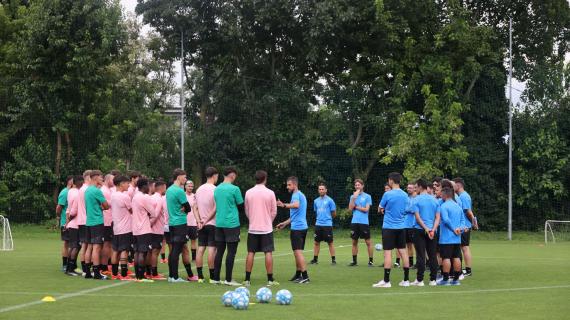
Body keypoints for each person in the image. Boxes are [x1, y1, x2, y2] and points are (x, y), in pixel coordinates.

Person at [373, 172, 410, 288]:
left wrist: (383, 210)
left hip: (389, 227)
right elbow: (408, 209)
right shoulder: (405, 195)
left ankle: (386, 281)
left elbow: (380, 209)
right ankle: (406, 280)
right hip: (401, 227)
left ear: (391, 181)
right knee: (403, 252)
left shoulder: (387, 194)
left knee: (387, 253)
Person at [243, 170, 278, 287]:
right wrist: (268, 221)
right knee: (268, 252)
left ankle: (247, 280)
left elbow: (247, 210)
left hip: (253, 228)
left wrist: (252, 220)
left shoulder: (248, 192)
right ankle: (270, 280)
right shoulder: (270, 193)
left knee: (251, 252)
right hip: (266, 228)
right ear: (265, 179)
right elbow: (274, 211)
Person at [212, 167, 243, 286]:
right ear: (232, 175)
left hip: (219, 223)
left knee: (219, 251)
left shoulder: (217, 189)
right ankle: (228, 280)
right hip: (232, 224)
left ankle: (216, 278)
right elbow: (241, 206)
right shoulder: (235, 189)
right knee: (231, 252)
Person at [277, 176, 310, 284]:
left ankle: (305, 276)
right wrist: (284, 224)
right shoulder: (301, 195)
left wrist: (284, 205)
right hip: (301, 227)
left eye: (289, 185)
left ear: (295, 185)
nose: (287, 187)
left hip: (298, 229)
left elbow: (296, 205)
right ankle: (298, 274)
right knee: (297, 253)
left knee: (298, 253)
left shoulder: (296, 195)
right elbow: (295, 215)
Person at [411, 178, 440, 286]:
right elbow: (438, 218)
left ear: (419, 186)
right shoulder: (435, 200)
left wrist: (426, 229)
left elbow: (418, 218)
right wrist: (432, 229)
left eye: (415, 187)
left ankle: (420, 280)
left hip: (419, 230)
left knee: (420, 255)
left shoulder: (416, 200)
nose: (415, 189)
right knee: (432, 255)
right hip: (432, 230)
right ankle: (433, 280)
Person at [166, 169, 193, 283]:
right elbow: (188, 207)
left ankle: (172, 276)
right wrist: (184, 208)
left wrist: (184, 208)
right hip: (180, 223)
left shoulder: (169, 190)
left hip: (172, 223)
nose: (185, 179)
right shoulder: (179, 191)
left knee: (173, 250)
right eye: (184, 177)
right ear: (178, 177)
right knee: (177, 250)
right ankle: (175, 277)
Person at [84, 170, 110, 280]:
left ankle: (87, 272)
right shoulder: (96, 191)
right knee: (97, 247)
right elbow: (107, 206)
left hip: (89, 221)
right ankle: (96, 273)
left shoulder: (87, 190)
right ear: (95, 178)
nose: (102, 179)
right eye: (101, 177)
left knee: (90, 246)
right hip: (97, 222)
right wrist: (102, 207)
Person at [131, 178, 158, 282]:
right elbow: (154, 213)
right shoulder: (144, 198)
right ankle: (142, 276)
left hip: (135, 228)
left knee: (137, 252)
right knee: (143, 253)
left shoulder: (135, 197)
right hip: (144, 228)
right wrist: (147, 213)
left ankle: (138, 276)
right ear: (144, 186)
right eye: (148, 185)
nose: (149, 188)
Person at [194, 166, 218, 283]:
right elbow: (215, 208)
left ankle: (200, 277)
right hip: (211, 223)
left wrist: (199, 221)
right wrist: (206, 220)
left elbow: (195, 207)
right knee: (212, 250)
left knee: (200, 249)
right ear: (214, 176)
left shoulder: (199, 189)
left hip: (201, 225)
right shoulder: (215, 189)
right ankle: (212, 277)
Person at [437, 187, 463, 286]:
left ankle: (445, 279)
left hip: (446, 238)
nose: (441, 196)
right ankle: (456, 279)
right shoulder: (458, 206)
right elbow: (462, 221)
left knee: (446, 258)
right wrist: (459, 229)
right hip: (457, 238)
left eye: (442, 194)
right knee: (456, 257)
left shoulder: (444, 206)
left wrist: (453, 229)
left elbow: (446, 220)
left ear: (446, 195)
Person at [453, 177, 478, 277]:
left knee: (464, 247)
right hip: (464, 225)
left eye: (454, 185)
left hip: (465, 226)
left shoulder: (463, 196)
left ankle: (468, 270)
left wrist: (474, 222)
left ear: (458, 185)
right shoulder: (462, 195)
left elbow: (468, 211)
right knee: (462, 247)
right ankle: (463, 269)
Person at [110, 175, 133, 280]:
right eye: (127, 183)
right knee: (124, 250)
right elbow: (131, 210)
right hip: (125, 227)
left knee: (115, 250)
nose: (129, 185)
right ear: (121, 184)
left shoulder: (113, 195)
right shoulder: (125, 196)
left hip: (116, 227)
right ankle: (124, 274)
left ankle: (114, 274)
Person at [348, 179, 373, 267]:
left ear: (362, 186)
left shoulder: (367, 196)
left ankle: (370, 261)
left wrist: (357, 207)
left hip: (364, 222)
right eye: (356, 185)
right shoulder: (352, 196)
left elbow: (366, 210)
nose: (357, 186)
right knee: (354, 242)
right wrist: (354, 198)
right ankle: (354, 261)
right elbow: (350, 208)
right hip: (354, 222)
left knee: (368, 242)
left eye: (359, 185)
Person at [310, 183, 337, 265]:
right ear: (318, 190)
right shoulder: (316, 201)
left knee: (330, 242)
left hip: (327, 225)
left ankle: (333, 260)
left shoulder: (330, 200)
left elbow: (334, 213)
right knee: (316, 242)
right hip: (318, 224)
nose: (321, 190)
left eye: (322, 189)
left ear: (326, 190)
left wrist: (328, 219)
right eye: (320, 189)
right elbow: (316, 212)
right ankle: (315, 259)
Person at [182, 180, 201, 281]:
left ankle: (193, 258)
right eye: (189, 186)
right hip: (184, 223)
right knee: (184, 243)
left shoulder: (195, 196)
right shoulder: (182, 195)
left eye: (192, 186)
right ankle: (186, 258)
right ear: (185, 187)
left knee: (194, 240)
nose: (190, 187)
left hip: (193, 222)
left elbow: (196, 208)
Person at [64, 175, 83, 276]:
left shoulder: (71, 191)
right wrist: (69, 220)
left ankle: (71, 267)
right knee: (75, 246)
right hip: (75, 224)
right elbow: (74, 211)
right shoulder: (77, 194)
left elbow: (69, 208)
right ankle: (69, 269)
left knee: (74, 246)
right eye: (82, 182)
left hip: (73, 223)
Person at [149, 180, 167, 279]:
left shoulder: (151, 197)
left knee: (150, 251)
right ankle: (154, 273)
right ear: (162, 187)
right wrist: (150, 224)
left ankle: (149, 272)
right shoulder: (159, 199)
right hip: (156, 230)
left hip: (151, 229)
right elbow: (155, 215)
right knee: (155, 252)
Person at [56, 176, 73, 272]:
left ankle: (71, 264)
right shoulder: (64, 192)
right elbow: (58, 207)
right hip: (65, 223)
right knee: (67, 243)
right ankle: (65, 265)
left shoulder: (74, 192)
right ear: (70, 182)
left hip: (74, 223)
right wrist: (59, 217)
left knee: (74, 245)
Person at [100, 173, 115, 275]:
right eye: (113, 179)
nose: (114, 182)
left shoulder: (108, 190)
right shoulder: (104, 191)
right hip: (106, 221)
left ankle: (105, 265)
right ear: (108, 179)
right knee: (106, 244)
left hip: (108, 220)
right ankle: (103, 266)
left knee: (108, 244)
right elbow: (107, 204)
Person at [77, 170, 91, 277]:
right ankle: (86, 269)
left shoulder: (81, 189)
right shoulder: (87, 189)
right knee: (88, 245)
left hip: (81, 220)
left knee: (84, 245)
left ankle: (84, 268)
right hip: (87, 220)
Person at [404, 183, 417, 269]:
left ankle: (420, 262)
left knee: (416, 245)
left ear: (414, 189)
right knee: (408, 245)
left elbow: (413, 210)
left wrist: (407, 209)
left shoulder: (416, 199)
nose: (408, 189)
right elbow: (403, 209)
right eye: (408, 188)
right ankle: (411, 262)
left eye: (410, 188)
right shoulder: (406, 198)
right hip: (405, 225)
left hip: (413, 225)